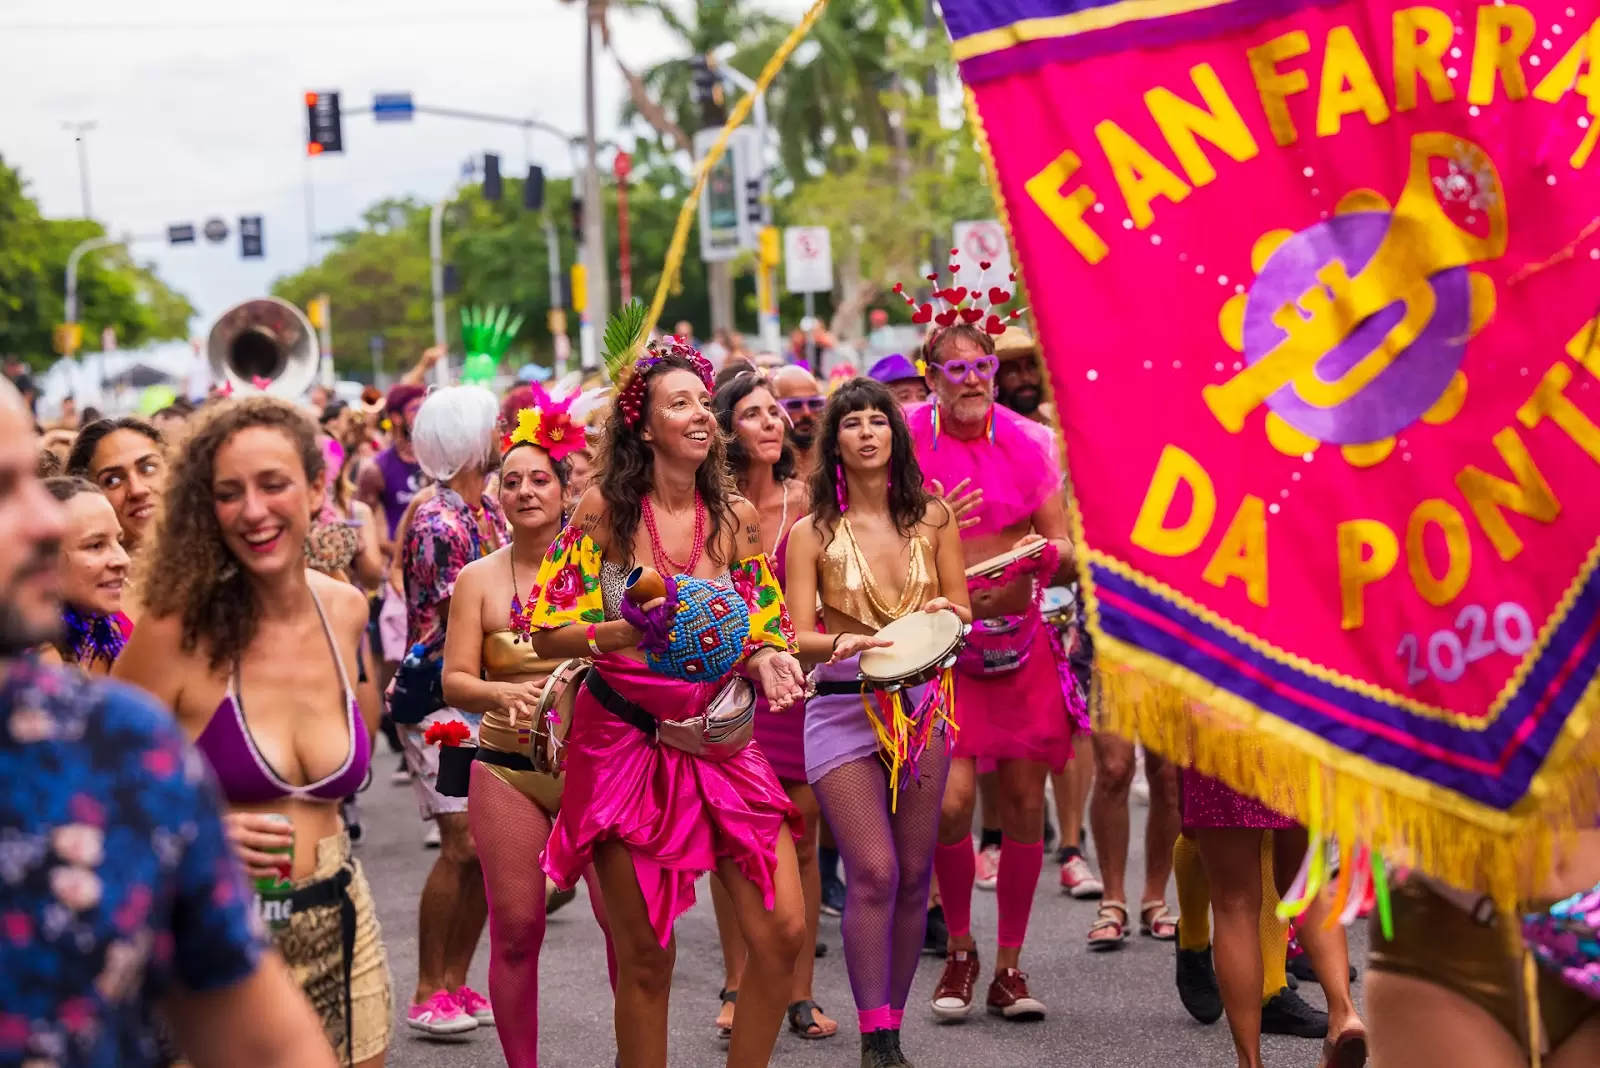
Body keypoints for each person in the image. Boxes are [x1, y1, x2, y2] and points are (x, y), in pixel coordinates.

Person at [526, 332, 808, 1068]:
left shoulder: (737, 515)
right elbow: (546, 632)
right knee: (648, 959)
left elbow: (762, 621)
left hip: (721, 739)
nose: (698, 416)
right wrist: (625, 628)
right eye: (676, 403)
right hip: (623, 744)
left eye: (700, 403)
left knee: (781, 934)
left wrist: (771, 655)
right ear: (643, 426)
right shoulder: (604, 512)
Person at [112, 395, 393, 1067]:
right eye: (229, 493)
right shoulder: (175, 632)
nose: (255, 511)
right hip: (218, 935)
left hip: (343, 921)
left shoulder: (346, 611)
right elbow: (88, 788)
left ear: (316, 487)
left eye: (274, 485)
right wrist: (192, 833)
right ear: (206, 509)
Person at [785, 378, 972, 1068]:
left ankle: (889, 1031)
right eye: (853, 423)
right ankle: (874, 1034)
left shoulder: (934, 518)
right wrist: (835, 644)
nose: (866, 432)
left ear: (896, 435)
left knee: (914, 874)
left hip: (924, 707)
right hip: (839, 707)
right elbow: (793, 631)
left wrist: (949, 620)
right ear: (835, 440)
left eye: (878, 421)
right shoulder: (812, 532)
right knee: (872, 870)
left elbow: (961, 607)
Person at [440, 390, 618, 1065]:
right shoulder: (476, 580)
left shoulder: (600, 566)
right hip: (508, 771)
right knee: (516, 930)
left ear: (564, 484)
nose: (523, 491)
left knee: (622, 927)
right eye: (509, 481)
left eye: (538, 477)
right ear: (497, 498)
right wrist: (499, 691)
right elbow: (454, 680)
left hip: (598, 768)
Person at [911, 322, 1082, 1022]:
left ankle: (1009, 965)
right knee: (949, 805)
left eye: (982, 366)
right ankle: (959, 949)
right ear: (931, 379)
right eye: (957, 370)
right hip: (946, 651)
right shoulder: (906, 448)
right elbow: (881, 542)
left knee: (1019, 805)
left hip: (1021, 649)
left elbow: (1068, 546)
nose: (975, 379)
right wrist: (934, 536)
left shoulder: (1028, 442)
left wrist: (1039, 557)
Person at [708, 372, 835, 1044]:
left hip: (796, 683)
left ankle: (798, 990)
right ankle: (736, 979)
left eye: (776, 413)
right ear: (727, 428)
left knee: (804, 839)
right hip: (727, 684)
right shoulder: (708, 505)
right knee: (733, 841)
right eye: (753, 414)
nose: (772, 423)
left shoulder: (810, 499)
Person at [396, 386, 504, 1036]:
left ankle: (458, 984)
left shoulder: (484, 509)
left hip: (480, 693)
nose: (502, 434)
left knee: (484, 847)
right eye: (492, 426)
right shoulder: (439, 523)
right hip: (442, 700)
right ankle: (425, 987)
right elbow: (457, 622)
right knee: (461, 842)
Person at [66, 416, 168, 622]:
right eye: (112, 480)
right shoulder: (89, 599)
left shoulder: (221, 563)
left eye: (147, 468)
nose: (137, 490)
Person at [39, 477, 131, 675]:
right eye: (96, 545)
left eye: (119, 542)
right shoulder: (31, 661)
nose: (123, 560)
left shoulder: (117, 628)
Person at [772, 365, 824, 480]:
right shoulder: (767, 468)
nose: (807, 413)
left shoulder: (836, 461)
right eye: (794, 405)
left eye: (814, 403)